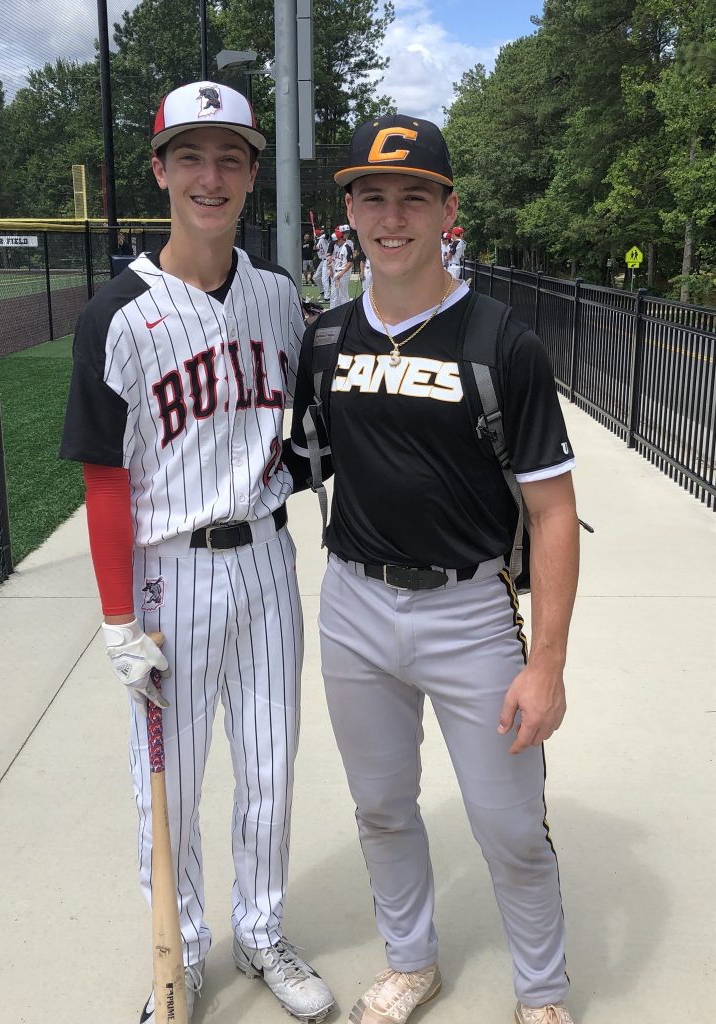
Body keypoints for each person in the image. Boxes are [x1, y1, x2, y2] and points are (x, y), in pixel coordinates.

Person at [288, 113, 580, 1024]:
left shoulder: (502, 343)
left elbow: (554, 511)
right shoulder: (327, 341)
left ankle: (542, 995)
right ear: (349, 211)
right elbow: (294, 464)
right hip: (354, 607)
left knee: (507, 826)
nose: (391, 214)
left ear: (448, 210)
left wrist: (549, 664)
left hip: (470, 613)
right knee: (381, 807)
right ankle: (412, 962)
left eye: (414, 195)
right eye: (372, 195)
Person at [60, 80, 334, 1024]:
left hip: (264, 561)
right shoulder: (118, 315)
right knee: (166, 793)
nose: (209, 176)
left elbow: (302, 434)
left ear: (254, 174)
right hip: (166, 573)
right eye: (191, 156)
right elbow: (105, 479)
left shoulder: (277, 298)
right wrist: (114, 616)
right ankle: (176, 957)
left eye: (230, 157)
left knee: (269, 769)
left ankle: (262, 934)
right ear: (160, 169)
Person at [328, 224, 354, 309]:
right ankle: (332, 313)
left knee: (343, 295)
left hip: (343, 273)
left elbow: (350, 263)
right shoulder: (336, 247)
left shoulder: (347, 247)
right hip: (336, 272)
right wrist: (331, 269)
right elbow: (333, 260)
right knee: (334, 295)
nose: (335, 243)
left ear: (340, 239)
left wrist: (341, 274)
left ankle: (345, 313)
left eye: (336, 241)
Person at [313, 227, 332, 300]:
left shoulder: (323, 239)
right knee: (316, 277)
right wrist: (315, 241)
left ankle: (327, 296)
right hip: (322, 261)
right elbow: (314, 249)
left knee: (324, 278)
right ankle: (322, 292)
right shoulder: (317, 241)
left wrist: (320, 234)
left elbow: (326, 235)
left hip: (327, 260)